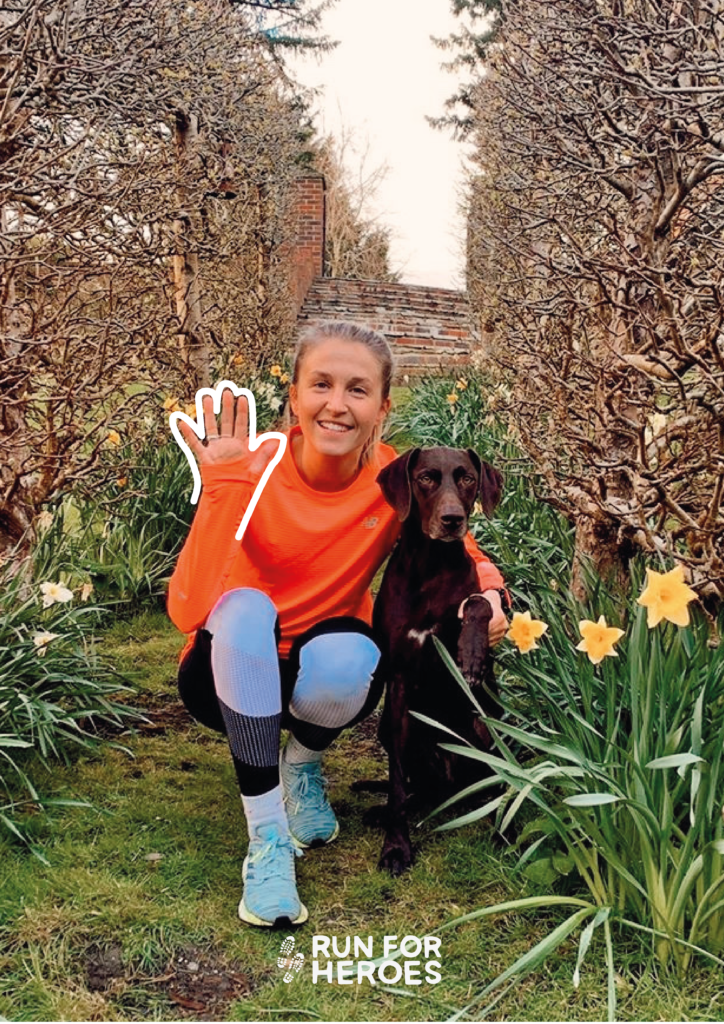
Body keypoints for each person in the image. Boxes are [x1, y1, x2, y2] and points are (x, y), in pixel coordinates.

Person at [167, 320, 508, 928]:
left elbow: (466, 550)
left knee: (355, 655)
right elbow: (188, 610)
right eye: (320, 384)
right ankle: (268, 841)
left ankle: (301, 766)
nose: (337, 403)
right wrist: (221, 486)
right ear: (294, 397)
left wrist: (491, 594)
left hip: (324, 669)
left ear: (382, 406)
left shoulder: (394, 483)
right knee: (244, 609)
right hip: (227, 668)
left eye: (357, 389)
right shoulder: (252, 465)